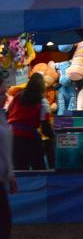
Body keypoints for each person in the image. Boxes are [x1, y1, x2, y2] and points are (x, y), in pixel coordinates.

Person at [7, 73, 51, 170]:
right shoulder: (42, 101)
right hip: (30, 138)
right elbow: (46, 128)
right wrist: (54, 137)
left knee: (18, 169)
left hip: (12, 138)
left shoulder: (17, 96)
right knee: (39, 168)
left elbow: (8, 113)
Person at [0, 75, 17, 238]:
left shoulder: (2, 117)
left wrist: (10, 175)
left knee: (5, 223)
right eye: (2, 93)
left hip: (2, 182)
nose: (5, 97)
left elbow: (5, 149)